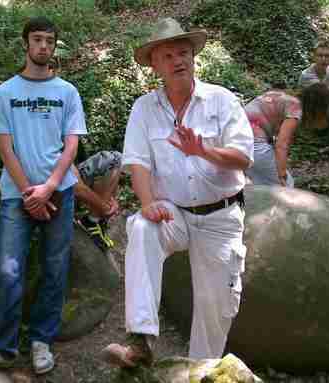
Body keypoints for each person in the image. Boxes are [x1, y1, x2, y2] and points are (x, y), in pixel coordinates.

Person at [100, 18, 253, 368]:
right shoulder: (144, 109)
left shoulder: (221, 100)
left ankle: (199, 370)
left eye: (183, 52)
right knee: (141, 226)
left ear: (194, 56)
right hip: (175, 213)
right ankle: (140, 340)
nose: (177, 60)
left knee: (216, 309)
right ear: (155, 65)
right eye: (167, 55)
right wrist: (148, 202)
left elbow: (244, 157)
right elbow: (138, 163)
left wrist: (204, 152)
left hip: (221, 216)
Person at [0, 16, 87, 374]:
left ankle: (41, 342)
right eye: (37, 40)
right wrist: (28, 193)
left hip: (59, 192)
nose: (43, 46)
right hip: (15, 196)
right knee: (9, 270)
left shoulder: (67, 91)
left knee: (54, 268)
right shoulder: (6, 92)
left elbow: (72, 145)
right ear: (25, 44)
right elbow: (5, 147)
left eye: (49, 40)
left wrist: (48, 187)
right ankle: (2, 347)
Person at [244, 83, 329, 187]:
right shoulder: (297, 109)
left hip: (236, 138)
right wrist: (281, 174)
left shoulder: (287, 98)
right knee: (286, 186)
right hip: (252, 143)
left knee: (260, 182)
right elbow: (281, 144)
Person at [72, 147, 122, 251]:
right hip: (58, 191)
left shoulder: (71, 136)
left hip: (73, 183)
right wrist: (105, 208)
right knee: (110, 159)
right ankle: (91, 221)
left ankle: (95, 220)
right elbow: (76, 186)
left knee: (116, 158)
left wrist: (111, 199)